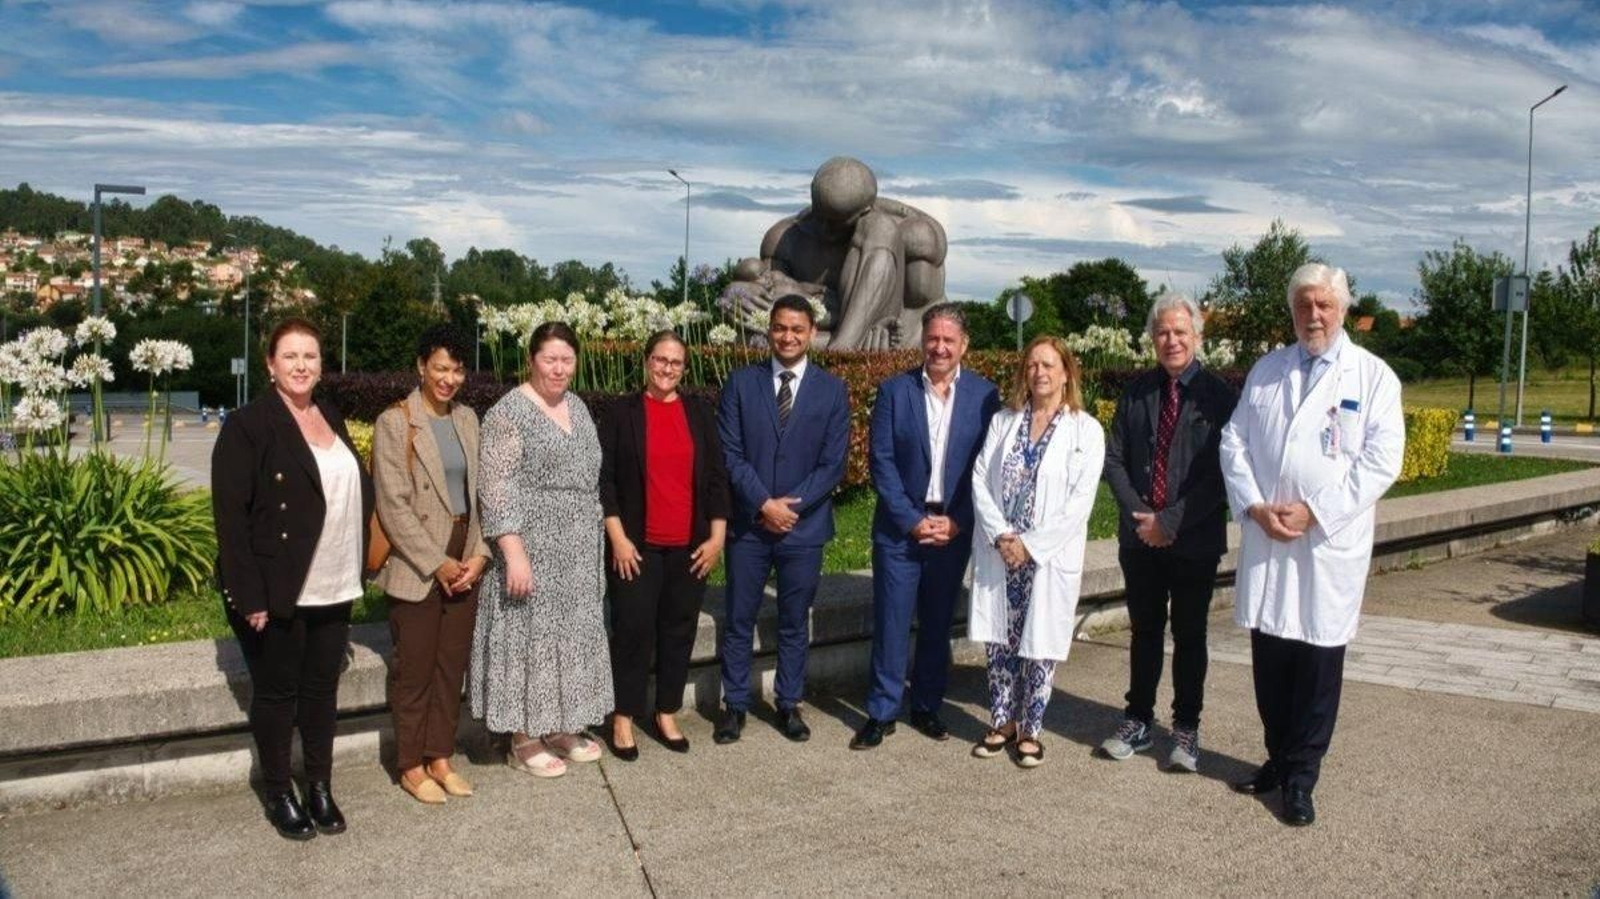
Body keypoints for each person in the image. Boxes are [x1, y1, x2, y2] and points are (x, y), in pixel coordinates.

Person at [1220, 263, 1405, 826]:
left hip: (1326, 546)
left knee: (1318, 665)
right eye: (1304, 304)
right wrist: (1254, 505)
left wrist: (1316, 512)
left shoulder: (1372, 378)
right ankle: (1277, 758)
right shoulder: (1268, 370)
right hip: (1270, 538)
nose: (1314, 315)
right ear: (1292, 310)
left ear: (1343, 309)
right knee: (1271, 660)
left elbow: (1381, 462)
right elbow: (1234, 442)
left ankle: (1301, 779)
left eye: (1324, 304)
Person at [211, 317, 373, 840]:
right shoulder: (248, 424)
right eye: (291, 356)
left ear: (321, 365)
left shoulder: (328, 413)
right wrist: (248, 594)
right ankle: (281, 792)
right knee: (279, 694)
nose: (301, 365)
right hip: (278, 587)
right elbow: (230, 519)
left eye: (310, 356)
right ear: (270, 365)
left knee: (322, 691)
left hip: (334, 579)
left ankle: (319, 787)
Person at [1099, 292, 1238, 772]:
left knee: (1190, 635)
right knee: (1144, 631)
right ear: (1151, 339)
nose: (1171, 340)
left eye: (1181, 332)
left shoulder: (1220, 397)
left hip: (1193, 540)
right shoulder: (1136, 392)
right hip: (1140, 540)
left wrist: (1171, 521)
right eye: (1162, 332)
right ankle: (1137, 720)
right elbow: (1113, 459)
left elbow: (1224, 473)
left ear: (1198, 337)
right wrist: (1144, 518)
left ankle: (1186, 728)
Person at [851, 303, 1001, 750]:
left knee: (937, 624)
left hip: (953, 528)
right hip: (901, 530)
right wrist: (912, 521)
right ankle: (881, 712)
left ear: (964, 346)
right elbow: (881, 463)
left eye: (948, 341)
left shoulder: (985, 397)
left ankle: (927, 706)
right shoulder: (894, 391)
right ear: (923, 341)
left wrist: (958, 522)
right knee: (892, 622)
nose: (939, 347)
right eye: (932, 338)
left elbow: (988, 469)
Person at [470, 321, 611, 778]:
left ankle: (560, 724)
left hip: (576, 548)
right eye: (549, 358)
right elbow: (495, 486)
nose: (558, 368)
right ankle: (523, 737)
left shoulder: (579, 408)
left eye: (566, 360)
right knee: (529, 639)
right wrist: (512, 550)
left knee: (568, 640)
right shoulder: (508, 413)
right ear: (531, 359)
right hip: (531, 544)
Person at [714, 295, 851, 744]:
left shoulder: (833, 391)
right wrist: (763, 504)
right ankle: (734, 704)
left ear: (812, 332)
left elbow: (832, 464)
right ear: (768, 331)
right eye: (779, 328)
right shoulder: (740, 384)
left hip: (803, 528)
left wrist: (790, 507)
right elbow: (730, 455)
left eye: (796, 329)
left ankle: (789, 702)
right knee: (738, 618)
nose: (787, 336)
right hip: (750, 527)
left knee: (795, 619)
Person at [968, 335, 1104, 768]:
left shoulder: (1087, 430)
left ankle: (1031, 729)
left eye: (1049, 365)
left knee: (1039, 642)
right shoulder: (1003, 422)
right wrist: (1003, 537)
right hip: (1002, 552)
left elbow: (1079, 504)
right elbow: (979, 479)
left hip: (1044, 557)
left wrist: (1030, 546)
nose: (1040, 373)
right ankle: (1002, 721)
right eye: (1032, 365)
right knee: (1001, 642)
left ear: (1067, 373)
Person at [371, 324, 491, 804]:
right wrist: (436, 562)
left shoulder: (467, 419)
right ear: (421, 366)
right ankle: (410, 764)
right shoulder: (395, 423)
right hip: (419, 563)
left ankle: (441, 756)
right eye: (440, 367)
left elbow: (480, 495)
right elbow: (394, 506)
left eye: (457, 369)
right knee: (414, 669)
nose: (449, 378)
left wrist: (480, 553)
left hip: (465, 554)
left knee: (450, 666)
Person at [598, 330, 731, 760]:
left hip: (689, 547)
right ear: (646, 362)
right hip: (636, 547)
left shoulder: (699, 412)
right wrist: (617, 538)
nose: (666, 369)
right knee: (632, 631)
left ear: (684, 368)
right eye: (660, 360)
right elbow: (606, 483)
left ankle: (666, 711)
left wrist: (717, 536)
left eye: (675, 362)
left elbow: (715, 478)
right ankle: (623, 716)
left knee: (678, 630)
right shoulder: (622, 413)